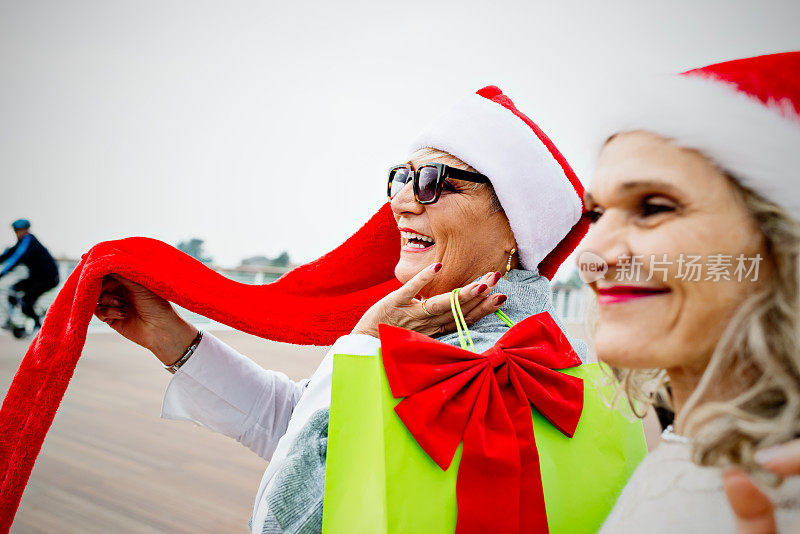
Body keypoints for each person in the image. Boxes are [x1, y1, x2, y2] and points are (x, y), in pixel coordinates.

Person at [94, 86, 591, 533]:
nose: (400, 202)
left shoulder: (483, 362)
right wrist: (169, 337)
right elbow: (304, 423)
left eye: (434, 181)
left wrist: (365, 343)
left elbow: (286, 520)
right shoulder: (502, 333)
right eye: (401, 178)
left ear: (516, 224)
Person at [578, 52, 800, 532]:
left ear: (783, 244)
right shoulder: (683, 448)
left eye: (653, 207)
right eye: (596, 214)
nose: (591, 255)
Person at [0, 219, 59, 333]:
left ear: (26, 230)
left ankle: (39, 327)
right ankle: (12, 322)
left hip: (48, 278)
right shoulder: (22, 242)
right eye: (15, 230)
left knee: (26, 302)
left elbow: (16, 258)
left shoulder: (29, 240)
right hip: (36, 278)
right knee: (13, 290)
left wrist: (2, 274)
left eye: (18, 230)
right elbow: (8, 254)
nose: (16, 233)